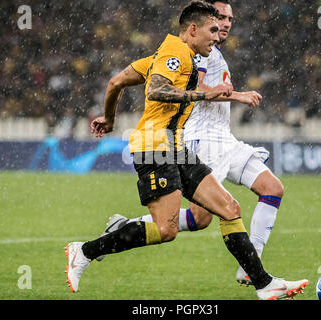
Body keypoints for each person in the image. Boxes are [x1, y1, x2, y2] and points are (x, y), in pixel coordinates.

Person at [67, 1, 308, 300]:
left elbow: (116, 81)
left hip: (176, 147)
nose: (217, 36)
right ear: (192, 30)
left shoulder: (173, 54)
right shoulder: (174, 53)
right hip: (154, 147)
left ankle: (263, 284)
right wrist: (202, 93)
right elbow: (156, 89)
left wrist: (110, 118)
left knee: (229, 209)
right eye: (212, 30)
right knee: (166, 230)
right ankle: (85, 251)